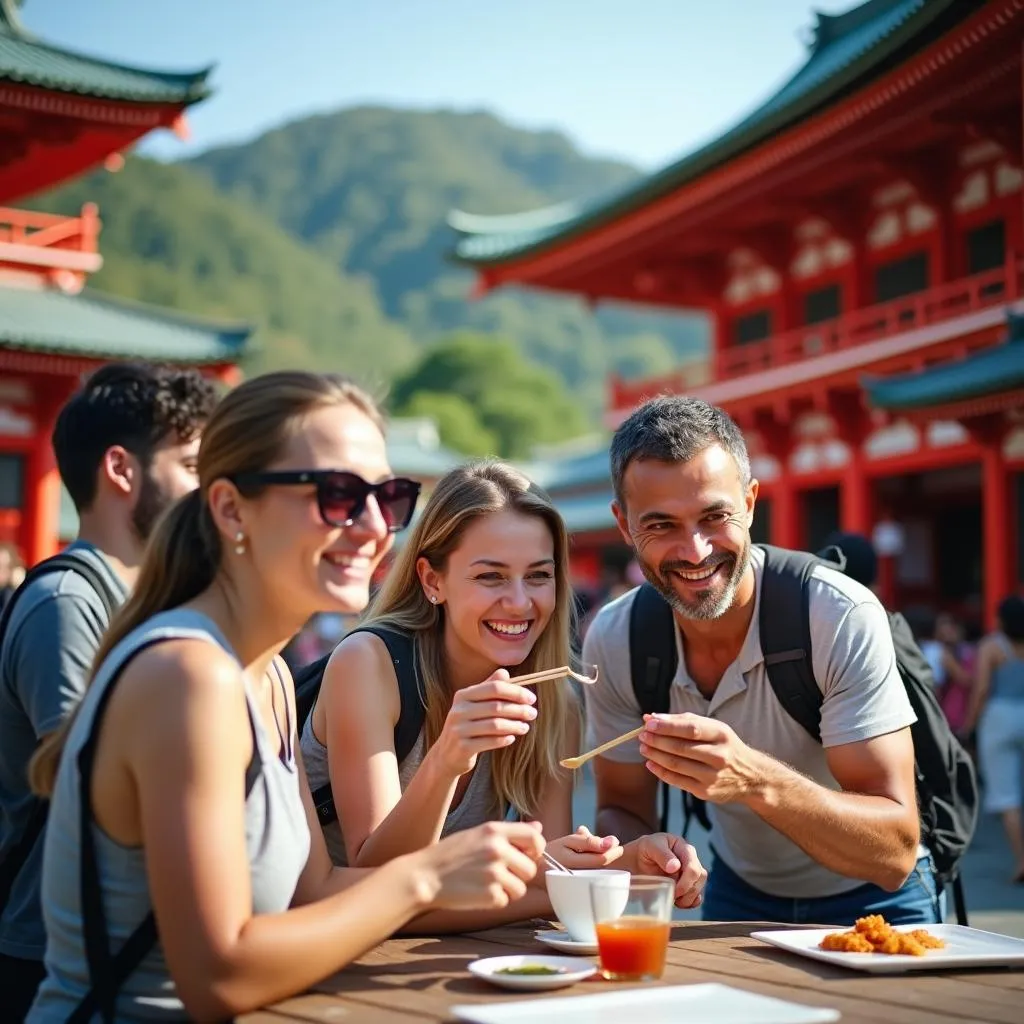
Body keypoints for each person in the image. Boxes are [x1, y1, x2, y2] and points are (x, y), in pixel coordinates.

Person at [25, 372, 551, 1022]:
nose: (371, 526)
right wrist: (427, 877)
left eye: (386, 497)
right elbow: (217, 975)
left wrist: (534, 881)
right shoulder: (189, 674)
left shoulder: (267, 676)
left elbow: (319, 895)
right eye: (335, 495)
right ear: (229, 508)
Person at [302, 459, 706, 929]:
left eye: (538, 575)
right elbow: (381, 887)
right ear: (433, 580)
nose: (519, 602)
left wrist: (629, 863)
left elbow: (542, 873)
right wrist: (448, 757)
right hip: (315, 941)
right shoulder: (368, 663)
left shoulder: (556, 700)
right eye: (490, 577)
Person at [583, 395, 938, 925]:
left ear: (750, 503)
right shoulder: (617, 637)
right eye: (661, 525)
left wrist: (752, 778)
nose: (696, 550)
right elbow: (623, 807)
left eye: (715, 516)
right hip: (737, 893)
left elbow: (893, 853)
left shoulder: (835, 615)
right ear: (623, 524)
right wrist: (646, 849)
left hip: (879, 899)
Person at [0, 362, 218, 1020]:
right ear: (122, 469)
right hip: (50, 952)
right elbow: (86, 784)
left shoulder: (146, 599)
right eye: (191, 464)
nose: (211, 489)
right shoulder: (66, 603)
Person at [963, 596, 1024, 882]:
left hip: (999, 717)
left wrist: (969, 725)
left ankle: (1022, 860)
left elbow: (982, 688)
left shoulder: (992, 646)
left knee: (1006, 793)